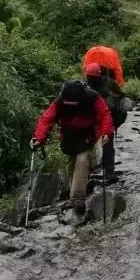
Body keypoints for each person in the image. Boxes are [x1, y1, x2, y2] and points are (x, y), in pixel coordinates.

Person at [31, 79, 114, 220]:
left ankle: (77, 200)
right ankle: (76, 197)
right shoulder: (60, 99)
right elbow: (47, 118)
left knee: (82, 160)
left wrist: (106, 132)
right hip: (69, 139)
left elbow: (104, 115)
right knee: (71, 166)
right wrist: (38, 138)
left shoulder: (92, 97)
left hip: (87, 136)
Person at [83, 61, 127, 183]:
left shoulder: (85, 85)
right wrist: (114, 96)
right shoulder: (109, 81)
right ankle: (109, 172)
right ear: (100, 73)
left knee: (87, 144)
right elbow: (121, 94)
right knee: (108, 143)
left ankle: (86, 173)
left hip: (90, 117)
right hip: (108, 116)